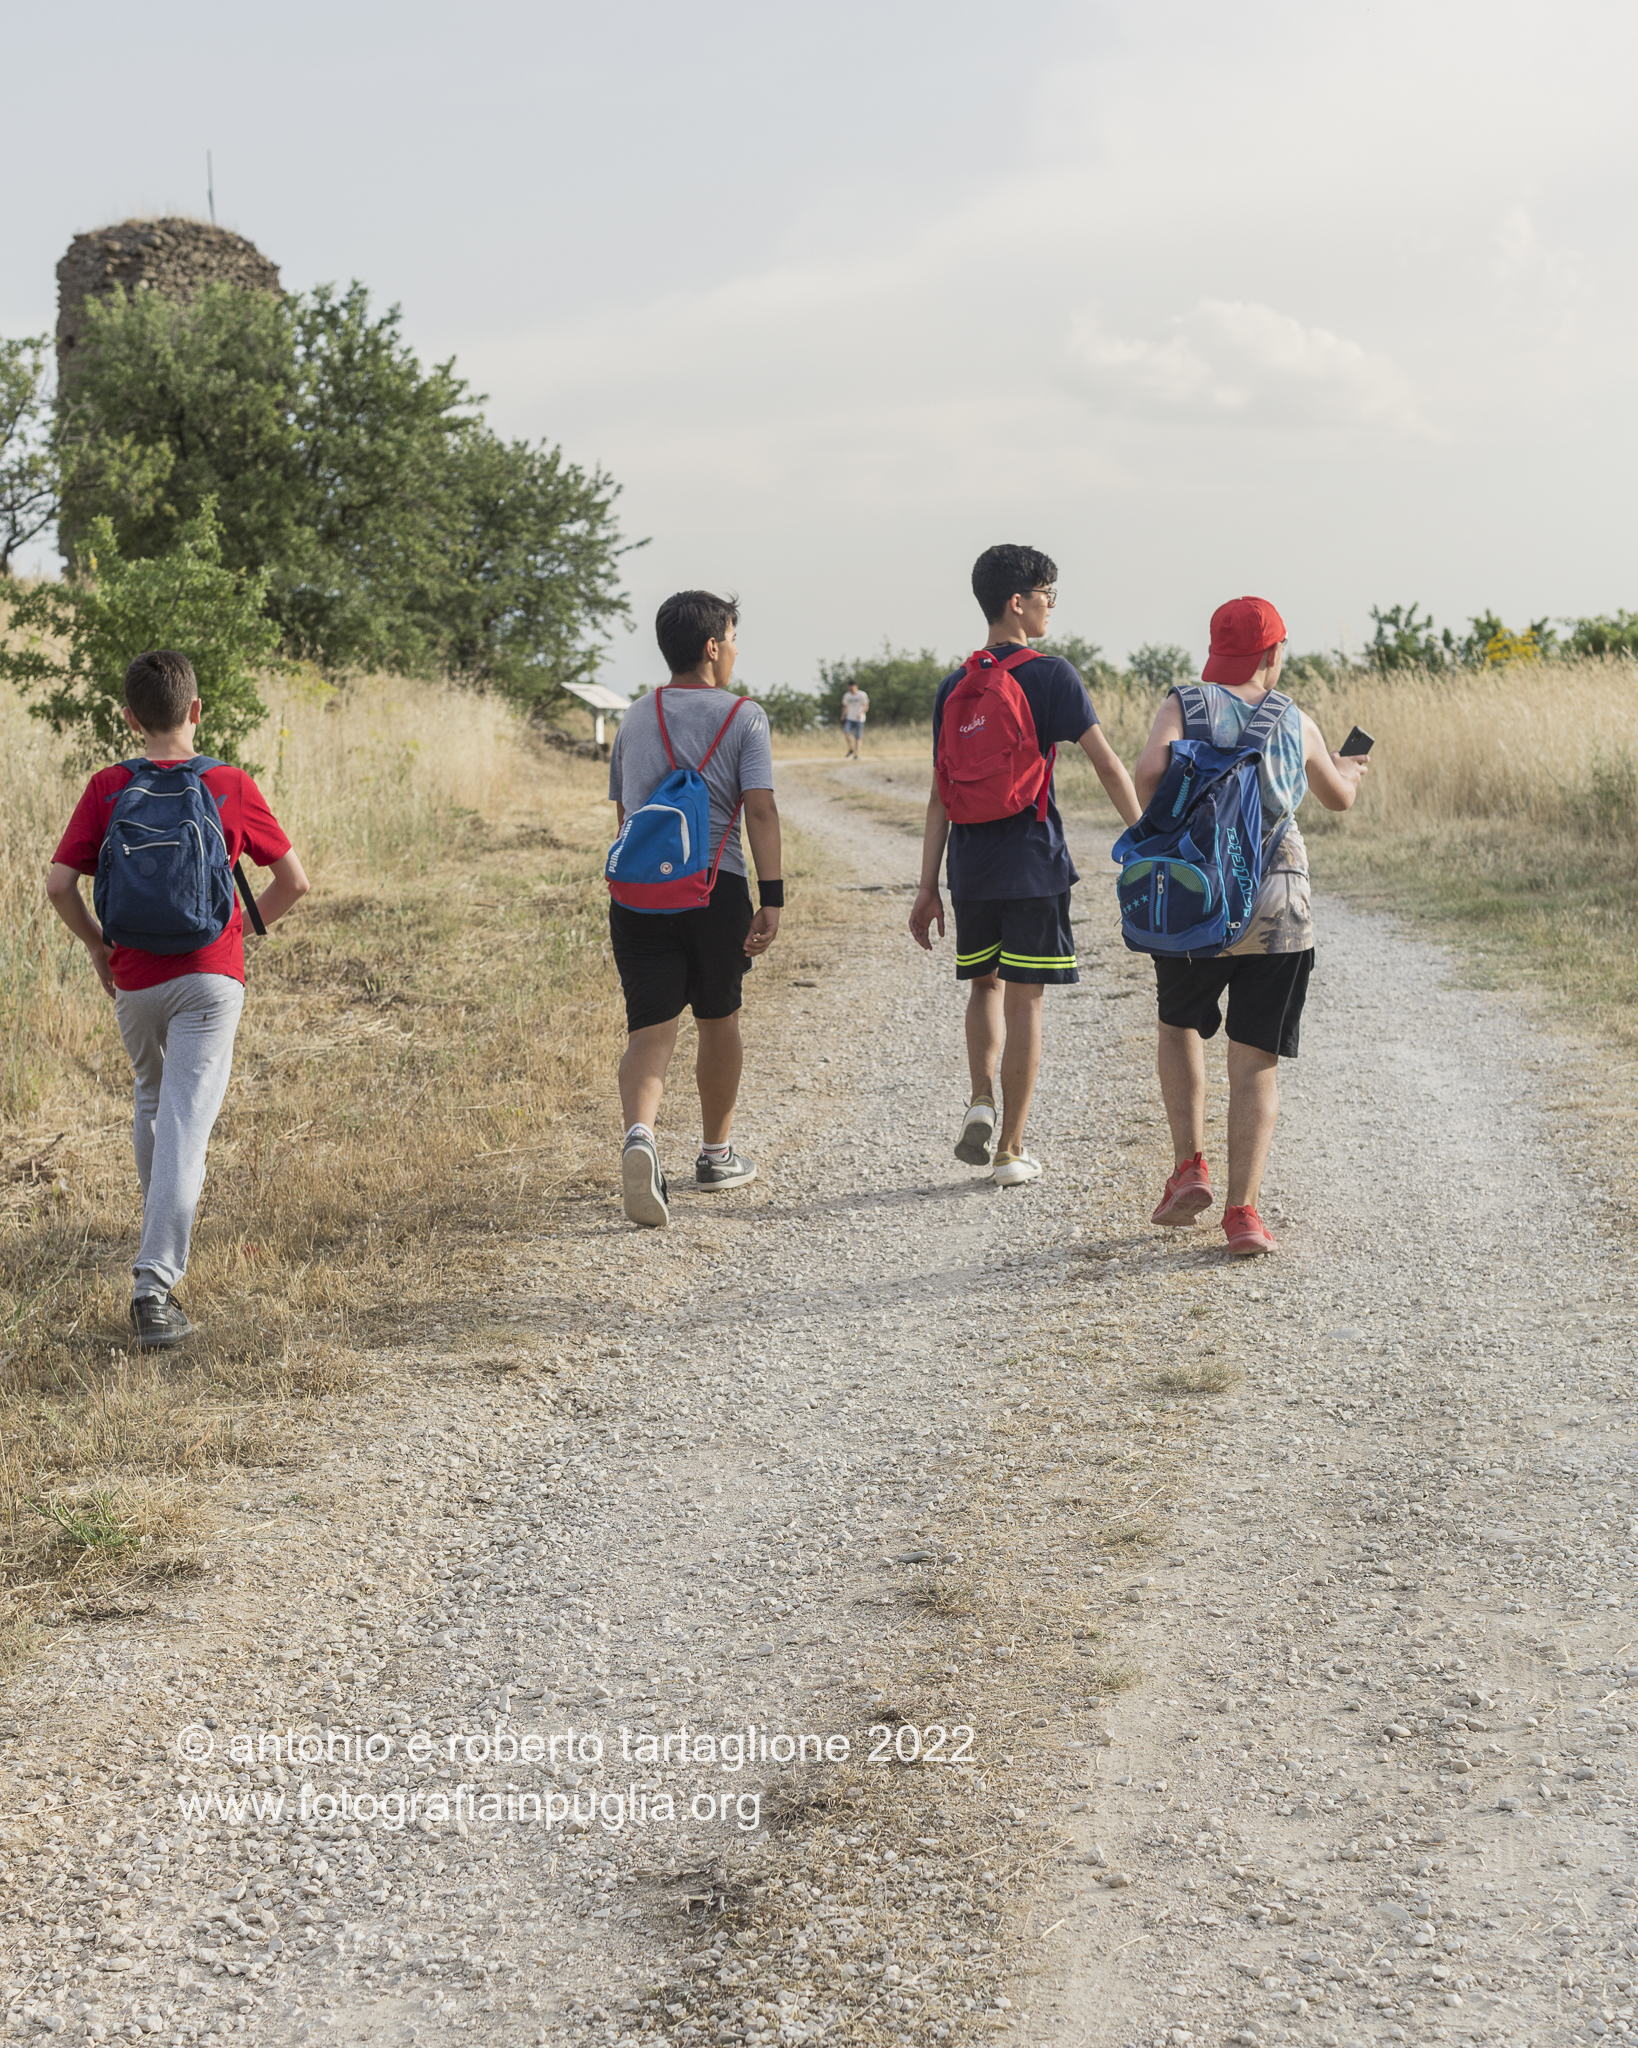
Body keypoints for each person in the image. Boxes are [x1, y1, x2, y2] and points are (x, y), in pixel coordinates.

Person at [45, 649, 310, 1348]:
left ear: (130, 718)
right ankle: (152, 1288)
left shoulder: (108, 786)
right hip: (209, 976)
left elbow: (58, 885)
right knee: (186, 1124)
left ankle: (158, 1233)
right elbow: (294, 882)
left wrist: (97, 946)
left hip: (133, 977)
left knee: (152, 1100)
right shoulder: (229, 782)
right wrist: (239, 933)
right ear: (197, 710)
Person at [1132, 596, 1369, 1255]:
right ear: (1273, 652)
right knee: (1255, 1058)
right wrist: (1348, 769)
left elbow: (1148, 773)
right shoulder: (1295, 718)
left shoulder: (1185, 705)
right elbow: (1338, 798)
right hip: (1278, 903)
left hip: (1197, 898)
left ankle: (1189, 1166)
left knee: (1179, 1025)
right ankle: (1243, 1214)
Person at [909, 544, 1141, 1186]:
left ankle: (980, 1098)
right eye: (1047, 595)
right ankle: (1011, 1149)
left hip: (971, 867)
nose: (1051, 607)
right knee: (1026, 1003)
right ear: (1018, 602)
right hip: (1034, 863)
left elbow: (940, 794)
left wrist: (927, 887)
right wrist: (1146, 835)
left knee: (983, 986)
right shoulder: (1052, 675)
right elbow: (1107, 764)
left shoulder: (953, 687)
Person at [607, 591, 783, 1228]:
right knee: (718, 1019)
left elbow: (625, 815)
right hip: (714, 889)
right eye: (732, 638)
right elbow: (760, 809)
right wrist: (773, 897)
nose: (734, 650)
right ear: (712, 647)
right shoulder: (744, 717)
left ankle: (640, 1137)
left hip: (638, 895)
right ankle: (715, 1156)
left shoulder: (635, 716)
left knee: (649, 1031)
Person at [841, 681, 869, 759]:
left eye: (852, 687)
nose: (851, 689)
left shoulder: (862, 694)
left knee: (858, 737)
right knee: (846, 734)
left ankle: (857, 755)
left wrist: (862, 713)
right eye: (849, 687)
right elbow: (845, 706)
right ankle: (851, 749)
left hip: (859, 719)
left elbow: (866, 705)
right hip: (849, 717)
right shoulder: (847, 695)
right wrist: (843, 716)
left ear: (856, 687)